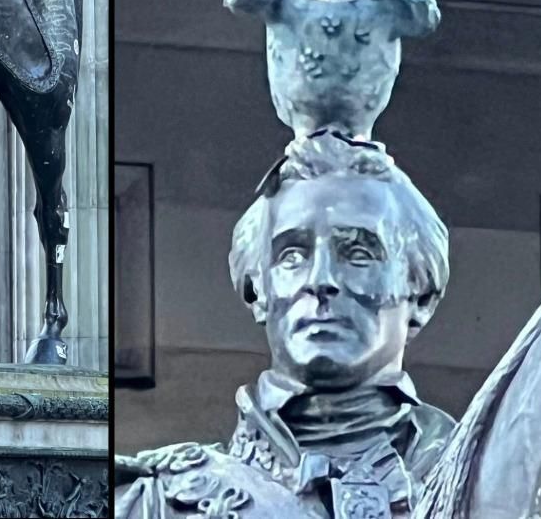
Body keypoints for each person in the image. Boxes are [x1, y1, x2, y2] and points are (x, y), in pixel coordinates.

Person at [115, 131, 455, 519]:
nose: (320, 279)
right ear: (258, 293)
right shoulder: (147, 504)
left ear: (422, 295)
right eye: (291, 255)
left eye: (359, 253)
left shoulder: (496, 491)